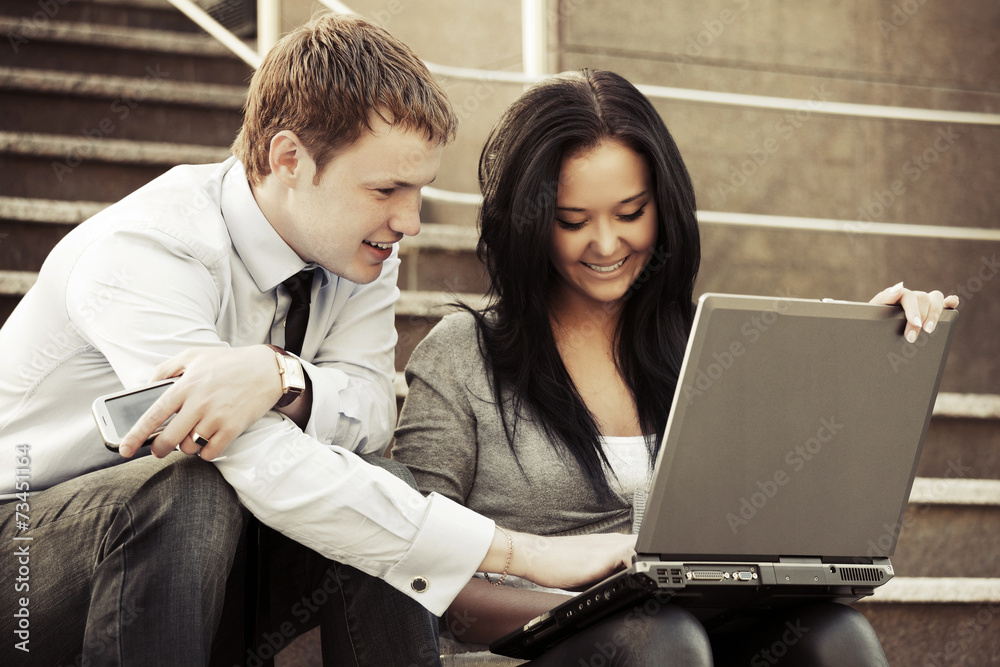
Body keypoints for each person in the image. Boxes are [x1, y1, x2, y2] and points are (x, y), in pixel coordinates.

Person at [0, 18, 636, 667]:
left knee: (374, 480)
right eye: (387, 189)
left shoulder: (361, 248)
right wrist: (519, 552)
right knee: (189, 486)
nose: (411, 222)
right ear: (289, 159)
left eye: (419, 191)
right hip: (23, 559)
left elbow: (367, 415)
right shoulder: (145, 251)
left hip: (203, 561)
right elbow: (253, 461)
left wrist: (282, 377)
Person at [392, 68, 960, 666]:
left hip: (696, 640)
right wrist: (586, 605)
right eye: (572, 221)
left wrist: (858, 354)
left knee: (836, 638)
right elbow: (414, 567)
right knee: (658, 638)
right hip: (532, 652)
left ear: (664, 208)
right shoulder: (463, 355)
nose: (607, 245)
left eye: (630, 212)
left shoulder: (712, 346)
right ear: (530, 223)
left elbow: (788, 505)